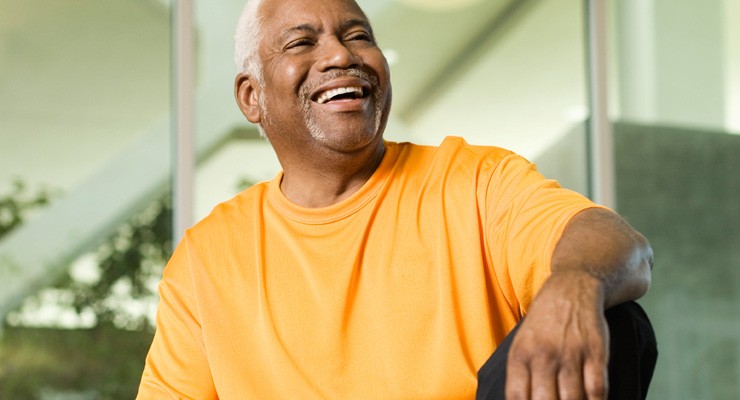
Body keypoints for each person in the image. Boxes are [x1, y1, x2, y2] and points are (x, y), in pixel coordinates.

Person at [136, 0, 657, 398]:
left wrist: (575, 283)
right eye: (301, 43)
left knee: (617, 318)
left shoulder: (473, 180)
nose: (341, 55)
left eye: (358, 36)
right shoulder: (206, 258)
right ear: (252, 97)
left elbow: (619, 245)